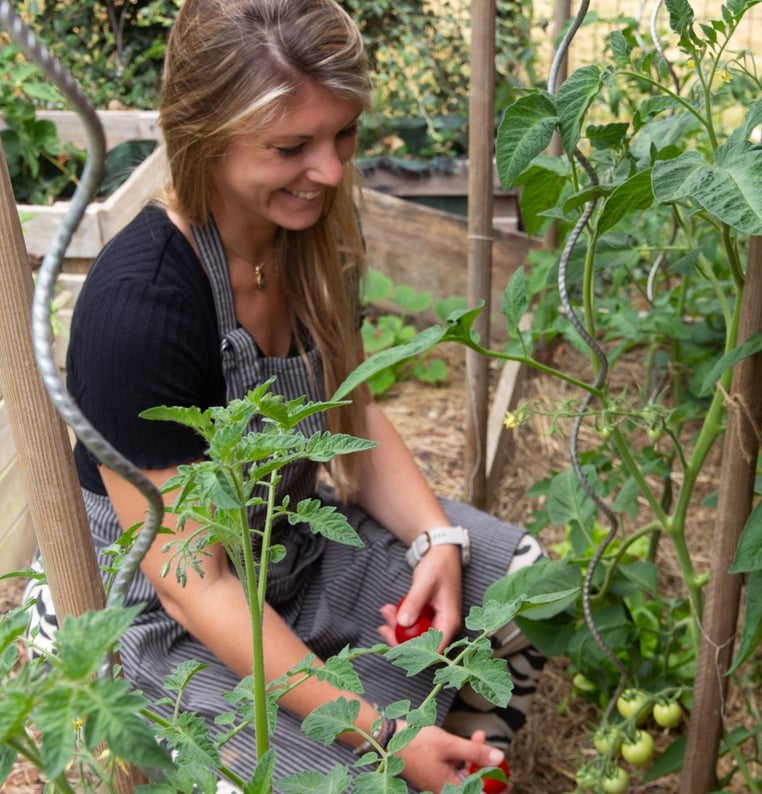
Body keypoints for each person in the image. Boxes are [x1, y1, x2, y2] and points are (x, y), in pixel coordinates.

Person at [26, 0, 546, 791]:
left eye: (344, 134)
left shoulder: (306, 238)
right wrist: (377, 736)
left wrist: (438, 542)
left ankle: (465, 761)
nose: (333, 172)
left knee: (522, 586)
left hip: (284, 552)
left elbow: (353, 410)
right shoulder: (142, 304)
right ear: (203, 137)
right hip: (169, 611)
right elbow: (190, 578)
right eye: (291, 146)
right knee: (333, 777)